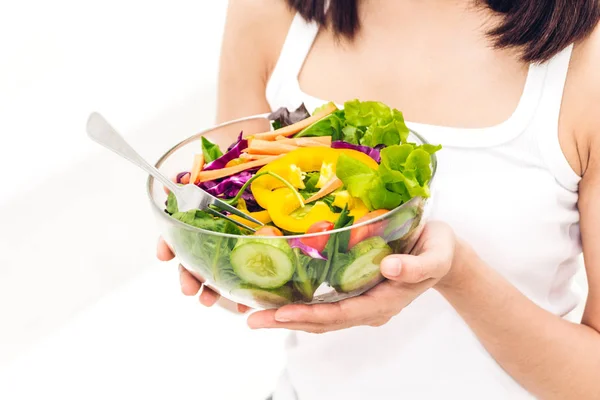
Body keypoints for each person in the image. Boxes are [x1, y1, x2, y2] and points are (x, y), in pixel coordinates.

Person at [157, 0, 600, 398]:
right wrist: (213, 255)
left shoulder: (587, 60)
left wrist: (458, 276)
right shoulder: (270, 11)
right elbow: (227, 204)